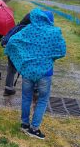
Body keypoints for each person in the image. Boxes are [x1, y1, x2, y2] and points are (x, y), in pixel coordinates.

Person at [5, 8, 66, 139]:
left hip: (28, 71)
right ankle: (34, 128)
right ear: (50, 20)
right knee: (42, 100)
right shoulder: (55, 32)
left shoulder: (28, 30)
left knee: (26, 97)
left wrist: (22, 58)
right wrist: (50, 58)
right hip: (45, 72)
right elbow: (62, 51)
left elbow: (12, 41)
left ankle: (24, 124)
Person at [1, 13, 31, 96]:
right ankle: (31, 90)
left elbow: (5, 40)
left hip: (11, 52)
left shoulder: (16, 27)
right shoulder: (28, 30)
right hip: (22, 53)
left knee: (11, 71)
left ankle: (8, 89)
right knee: (27, 71)